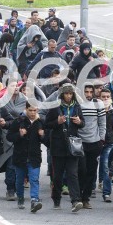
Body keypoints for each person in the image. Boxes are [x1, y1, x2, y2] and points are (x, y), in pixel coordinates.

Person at [46, 84, 85, 212]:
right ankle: (56, 199)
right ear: (62, 94)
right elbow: (47, 124)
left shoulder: (77, 106)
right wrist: (57, 122)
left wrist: (79, 122)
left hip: (73, 146)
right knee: (57, 175)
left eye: (70, 93)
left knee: (72, 174)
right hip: (58, 146)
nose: (68, 96)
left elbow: (82, 123)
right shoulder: (55, 107)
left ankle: (75, 200)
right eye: (66, 93)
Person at [7, 101, 46, 212]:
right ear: (26, 109)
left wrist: (43, 136)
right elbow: (9, 137)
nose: (33, 113)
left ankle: (34, 200)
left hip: (34, 156)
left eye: (35, 110)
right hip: (20, 156)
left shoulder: (40, 122)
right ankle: (20, 198)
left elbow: (47, 140)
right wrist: (19, 134)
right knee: (19, 180)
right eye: (30, 110)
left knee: (34, 179)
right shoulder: (18, 121)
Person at [77, 84, 106, 208]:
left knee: (91, 171)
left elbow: (102, 123)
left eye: (90, 92)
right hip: (80, 142)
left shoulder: (98, 104)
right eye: (86, 92)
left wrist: (101, 139)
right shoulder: (78, 104)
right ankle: (78, 195)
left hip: (95, 142)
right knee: (81, 170)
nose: (88, 94)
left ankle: (86, 198)